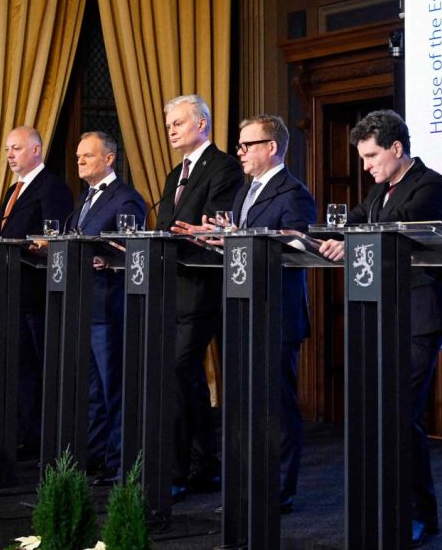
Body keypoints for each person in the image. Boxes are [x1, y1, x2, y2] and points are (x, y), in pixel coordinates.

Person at [318, 109, 442, 548]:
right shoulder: (378, 191)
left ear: (397, 148)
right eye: (362, 158)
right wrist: (329, 238)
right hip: (383, 313)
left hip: (418, 314)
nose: (366, 166)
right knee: (390, 414)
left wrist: (352, 238)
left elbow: (397, 228)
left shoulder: (430, 184)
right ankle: (410, 508)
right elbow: (354, 220)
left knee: (399, 412)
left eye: (372, 156)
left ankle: (415, 513)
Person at [175, 114, 316, 513]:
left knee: (276, 407)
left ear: (271, 147)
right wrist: (214, 239)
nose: (239, 152)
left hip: (275, 313)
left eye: (247, 145)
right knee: (245, 407)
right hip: (241, 310)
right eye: (239, 145)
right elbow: (241, 245)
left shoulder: (294, 193)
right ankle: (250, 485)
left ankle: (279, 491)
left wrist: (239, 240)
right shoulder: (245, 191)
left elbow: (298, 250)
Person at [155, 94, 243, 499]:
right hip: (172, 288)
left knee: (179, 372)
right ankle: (204, 463)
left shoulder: (223, 167)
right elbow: (167, 226)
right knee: (183, 378)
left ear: (202, 124)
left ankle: (177, 472)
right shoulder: (176, 173)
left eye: (178, 123)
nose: (171, 131)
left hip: (203, 289)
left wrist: (189, 234)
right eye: (169, 125)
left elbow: (211, 227)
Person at [67, 131, 146, 483]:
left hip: (111, 310)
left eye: (87, 155)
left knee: (114, 388)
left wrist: (110, 258)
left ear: (109, 158)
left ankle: (119, 461)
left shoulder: (126, 199)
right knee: (92, 392)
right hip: (84, 306)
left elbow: (134, 250)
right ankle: (95, 457)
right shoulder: (84, 200)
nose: (80, 161)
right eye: (78, 156)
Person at [0, 125, 73, 457]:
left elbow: (54, 240)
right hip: (11, 291)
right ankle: (24, 435)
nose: (10, 155)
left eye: (16, 148)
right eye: (7, 149)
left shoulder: (52, 187)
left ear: (36, 150)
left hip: (38, 293)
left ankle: (45, 438)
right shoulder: (13, 190)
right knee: (19, 369)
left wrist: (36, 247)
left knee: (40, 368)